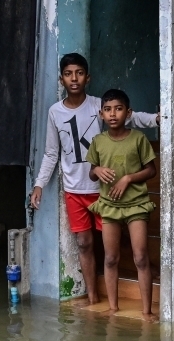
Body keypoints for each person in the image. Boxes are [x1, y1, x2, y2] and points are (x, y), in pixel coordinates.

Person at [29, 53, 157, 305]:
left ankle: (127, 293)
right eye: (68, 74)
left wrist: (157, 119)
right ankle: (92, 296)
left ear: (88, 78)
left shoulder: (101, 107)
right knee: (84, 242)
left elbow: (133, 117)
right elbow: (51, 153)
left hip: (104, 191)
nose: (73, 78)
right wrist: (39, 184)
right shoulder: (54, 112)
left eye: (78, 73)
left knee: (117, 244)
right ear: (61, 79)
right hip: (74, 189)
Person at [87, 89, 157, 321]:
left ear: (128, 113)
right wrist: (96, 169)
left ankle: (147, 311)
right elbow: (92, 174)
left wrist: (128, 178)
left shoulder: (138, 138)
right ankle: (113, 308)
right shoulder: (98, 142)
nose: (113, 114)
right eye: (108, 109)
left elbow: (151, 170)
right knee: (110, 258)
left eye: (118, 109)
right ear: (101, 114)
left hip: (136, 205)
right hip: (109, 205)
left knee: (140, 257)